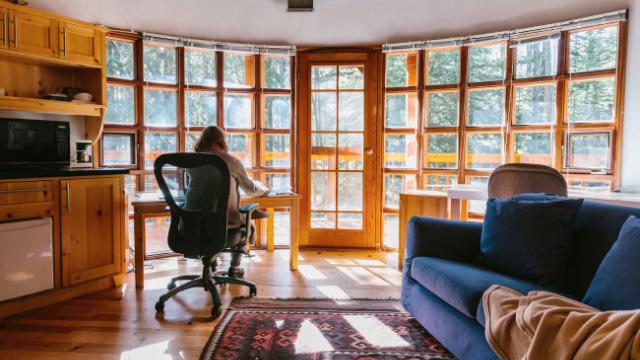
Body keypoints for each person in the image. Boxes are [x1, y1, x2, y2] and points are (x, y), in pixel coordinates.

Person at [185, 126, 269, 277]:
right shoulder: (230, 161)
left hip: (191, 226)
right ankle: (234, 267)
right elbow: (251, 189)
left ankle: (212, 262)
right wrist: (264, 188)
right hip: (221, 228)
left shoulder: (192, 161)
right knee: (247, 223)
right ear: (220, 141)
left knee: (217, 218)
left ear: (202, 141)